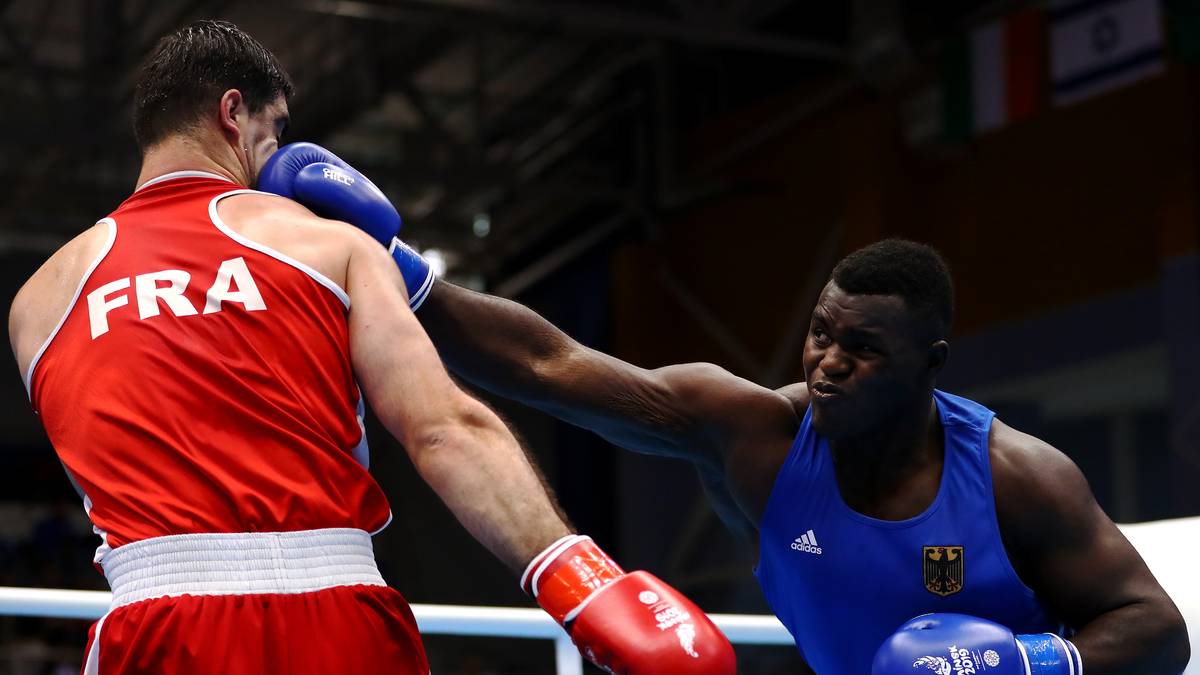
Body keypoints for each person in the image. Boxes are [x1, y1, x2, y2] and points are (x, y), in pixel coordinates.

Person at [259, 144, 1192, 675]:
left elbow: (1157, 627)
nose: (826, 363)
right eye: (821, 334)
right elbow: (551, 364)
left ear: (930, 366)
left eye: (862, 350)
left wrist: (1028, 665)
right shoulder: (752, 432)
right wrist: (405, 272)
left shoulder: (1014, 477)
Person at [7, 20, 735, 675]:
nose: (281, 153)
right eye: (276, 128)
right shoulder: (326, 243)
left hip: (155, 621)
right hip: (336, 616)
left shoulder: (37, 301)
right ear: (233, 112)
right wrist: (581, 582)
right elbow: (446, 428)